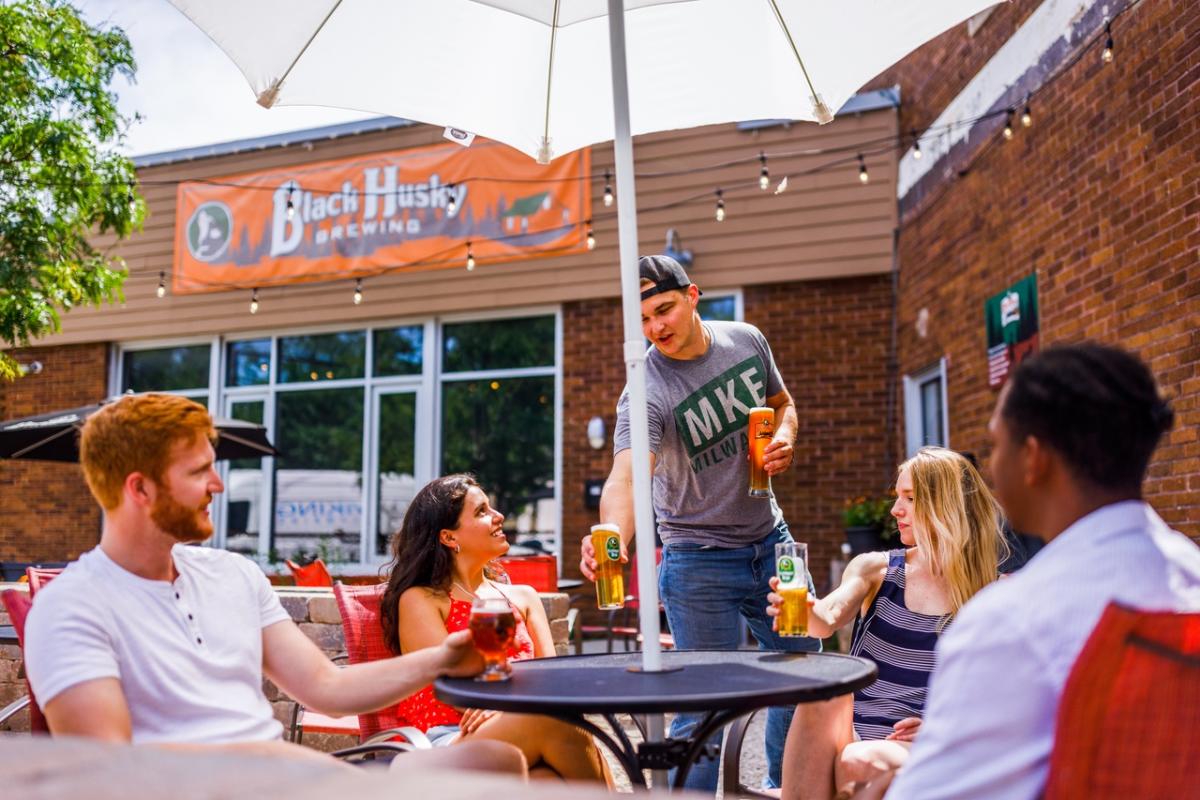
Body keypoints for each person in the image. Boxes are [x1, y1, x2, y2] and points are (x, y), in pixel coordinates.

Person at [23, 394, 524, 779]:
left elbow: (328, 688)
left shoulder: (233, 576)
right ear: (140, 488)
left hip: (282, 776)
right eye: (200, 472)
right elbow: (110, 772)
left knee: (498, 760)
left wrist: (444, 657)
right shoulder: (71, 607)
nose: (218, 485)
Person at [887, 343, 1200, 799]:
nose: (991, 469)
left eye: (995, 445)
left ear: (1034, 458)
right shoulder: (1191, 578)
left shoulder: (1012, 621)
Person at [580, 254, 818, 791]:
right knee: (705, 707)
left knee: (804, 669)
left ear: (693, 296)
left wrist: (785, 437)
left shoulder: (747, 340)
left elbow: (782, 403)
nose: (655, 328)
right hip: (696, 561)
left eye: (663, 309)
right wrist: (612, 537)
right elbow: (625, 477)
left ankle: (784, 785)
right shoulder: (644, 390)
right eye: (642, 320)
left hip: (770, 540)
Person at [767, 447, 1007, 800]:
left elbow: (1006, 697)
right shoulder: (877, 569)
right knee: (825, 692)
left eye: (909, 498)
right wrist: (807, 611)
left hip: (931, 745)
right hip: (854, 734)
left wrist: (948, 729)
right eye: (897, 497)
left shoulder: (996, 593)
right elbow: (828, 618)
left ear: (948, 507)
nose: (896, 510)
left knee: (862, 761)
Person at [381, 474, 610, 784]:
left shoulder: (524, 597)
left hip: (521, 728)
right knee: (550, 722)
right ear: (449, 537)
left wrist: (505, 707)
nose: (499, 516)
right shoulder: (422, 599)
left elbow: (552, 679)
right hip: (448, 738)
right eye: (481, 511)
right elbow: (451, 689)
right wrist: (507, 707)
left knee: (548, 779)